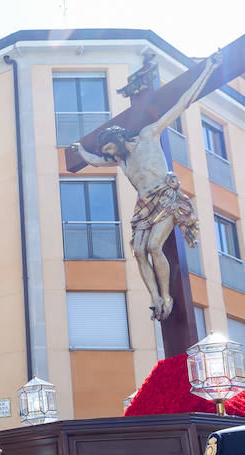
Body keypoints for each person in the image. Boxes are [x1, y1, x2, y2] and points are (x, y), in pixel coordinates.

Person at [69, 52, 220, 319]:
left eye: (110, 148)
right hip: (144, 206)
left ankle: (168, 295)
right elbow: (94, 161)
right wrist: (81, 150)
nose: (109, 154)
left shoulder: (149, 134)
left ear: (118, 138)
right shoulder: (121, 161)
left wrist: (207, 69)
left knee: (153, 247)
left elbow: (182, 103)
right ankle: (156, 298)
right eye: (107, 152)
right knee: (138, 250)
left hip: (165, 197)